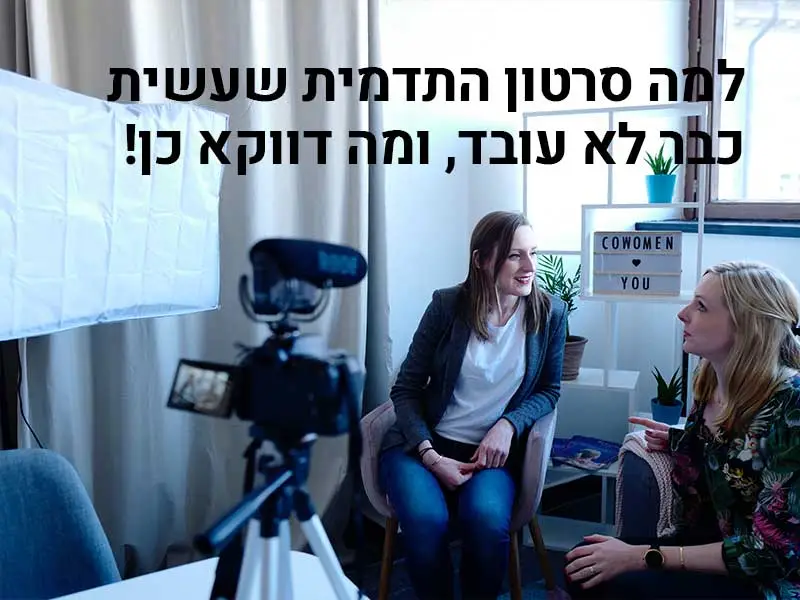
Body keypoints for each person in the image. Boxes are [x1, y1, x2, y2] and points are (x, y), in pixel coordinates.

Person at [564, 260, 800, 600]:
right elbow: (730, 456)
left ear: (747, 326)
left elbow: (771, 553)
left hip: (763, 578)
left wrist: (641, 556)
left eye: (700, 306)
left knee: (609, 581)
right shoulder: (710, 379)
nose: (683, 314)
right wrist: (682, 440)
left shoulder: (791, 408)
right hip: (712, 546)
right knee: (582, 563)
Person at [377, 210, 567, 600]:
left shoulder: (550, 313)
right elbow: (406, 388)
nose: (530, 266)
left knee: (486, 522)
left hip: (490, 456)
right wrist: (430, 455)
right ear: (480, 260)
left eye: (533, 253)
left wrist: (508, 425)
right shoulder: (447, 306)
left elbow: (549, 390)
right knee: (425, 521)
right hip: (422, 446)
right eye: (514, 255)